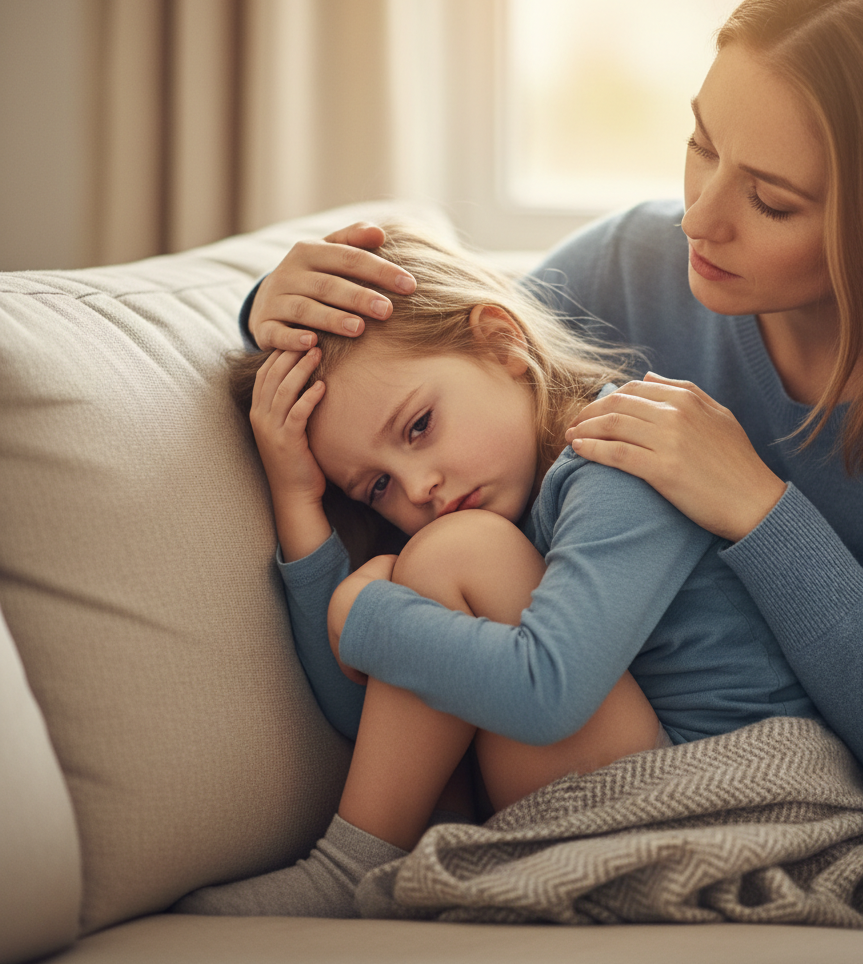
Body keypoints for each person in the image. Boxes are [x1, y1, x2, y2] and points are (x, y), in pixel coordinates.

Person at [232, 0, 863, 940]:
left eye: (770, 200)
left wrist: (759, 510)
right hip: (638, 753)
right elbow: (437, 344)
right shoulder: (636, 263)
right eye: (700, 144)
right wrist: (276, 308)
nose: (702, 214)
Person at [176, 221, 821, 919]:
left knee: (454, 551)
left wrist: (359, 612)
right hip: (642, 789)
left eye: (418, 426)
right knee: (439, 568)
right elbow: (365, 718)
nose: (418, 485)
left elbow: (547, 693)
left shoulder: (624, 460)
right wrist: (299, 502)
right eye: (377, 488)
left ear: (502, 343)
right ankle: (355, 866)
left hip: (739, 814)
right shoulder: (505, 512)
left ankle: (346, 870)